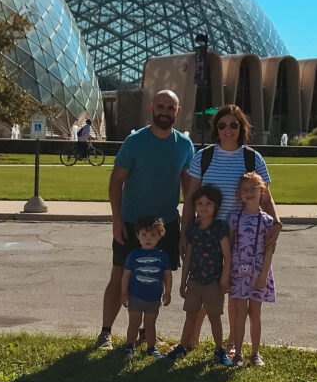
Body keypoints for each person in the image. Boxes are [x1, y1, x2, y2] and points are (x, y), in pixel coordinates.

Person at [97, 89, 194, 350]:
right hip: (132, 223)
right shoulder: (135, 142)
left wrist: (185, 230)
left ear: (178, 111)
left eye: (170, 108)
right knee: (120, 275)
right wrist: (117, 220)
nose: (164, 112)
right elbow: (115, 182)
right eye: (160, 106)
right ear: (152, 107)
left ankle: (144, 331)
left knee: (157, 277)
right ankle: (106, 332)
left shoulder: (184, 146)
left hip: (166, 225)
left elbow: (189, 191)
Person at [179, 104, 281, 346]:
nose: (228, 130)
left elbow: (265, 195)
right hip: (209, 235)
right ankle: (190, 339)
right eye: (222, 125)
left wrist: (276, 222)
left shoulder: (251, 158)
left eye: (234, 125)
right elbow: (190, 199)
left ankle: (234, 345)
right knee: (208, 288)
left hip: (242, 239)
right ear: (216, 129)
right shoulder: (203, 157)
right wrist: (185, 234)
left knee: (237, 294)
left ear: (241, 128)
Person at [166, 183, 233, 366]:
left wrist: (224, 278)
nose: (203, 207)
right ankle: (182, 346)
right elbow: (188, 257)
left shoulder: (219, 227)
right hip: (195, 281)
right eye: (200, 203)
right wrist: (183, 281)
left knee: (214, 317)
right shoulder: (192, 229)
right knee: (190, 315)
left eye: (208, 203)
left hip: (213, 282)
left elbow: (227, 255)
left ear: (216, 206)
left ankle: (219, 350)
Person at [226, 171, 277, 367]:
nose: (248, 193)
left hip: (258, 272)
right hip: (238, 271)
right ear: (239, 193)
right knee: (239, 311)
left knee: (255, 312)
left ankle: (255, 353)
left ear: (262, 191)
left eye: (253, 189)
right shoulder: (233, 218)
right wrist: (228, 271)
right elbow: (229, 247)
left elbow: (269, 249)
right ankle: (237, 352)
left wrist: (263, 274)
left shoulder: (267, 221)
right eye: (244, 190)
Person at [120, 216, 172, 358]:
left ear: (160, 236)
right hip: (135, 296)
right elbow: (126, 275)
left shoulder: (163, 256)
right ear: (137, 236)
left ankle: (151, 347)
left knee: (150, 325)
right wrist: (124, 293)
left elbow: (167, 275)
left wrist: (168, 292)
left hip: (154, 298)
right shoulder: (133, 255)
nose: (148, 239)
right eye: (144, 235)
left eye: (153, 235)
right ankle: (129, 345)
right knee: (134, 323)